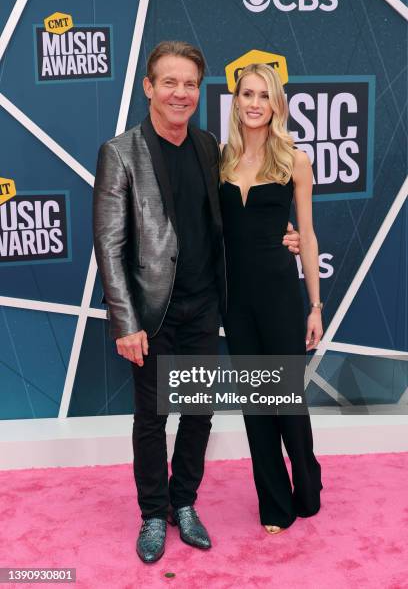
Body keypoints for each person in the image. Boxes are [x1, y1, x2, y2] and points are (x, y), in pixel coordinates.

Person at [93, 42, 300, 563]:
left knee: (199, 412)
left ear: (198, 91)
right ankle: (151, 514)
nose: (180, 93)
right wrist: (126, 322)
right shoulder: (121, 153)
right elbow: (110, 245)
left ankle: (183, 503)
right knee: (152, 417)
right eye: (169, 82)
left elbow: (240, 212)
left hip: (205, 306)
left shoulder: (210, 147)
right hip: (152, 313)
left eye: (190, 84)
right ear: (149, 87)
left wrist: (284, 233)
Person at [220, 63, 323, 534]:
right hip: (235, 300)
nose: (255, 103)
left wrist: (315, 306)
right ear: (236, 101)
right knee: (254, 403)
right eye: (247, 94)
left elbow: (307, 233)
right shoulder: (220, 159)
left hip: (281, 295)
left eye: (264, 95)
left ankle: (306, 481)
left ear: (277, 103)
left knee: (285, 399)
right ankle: (273, 502)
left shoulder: (293, 160)